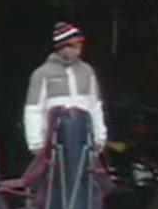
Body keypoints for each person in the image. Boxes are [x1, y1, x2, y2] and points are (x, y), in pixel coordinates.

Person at [23, 21, 108, 160]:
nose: (78, 51)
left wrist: (100, 137)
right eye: (73, 47)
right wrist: (35, 143)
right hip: (54, 143)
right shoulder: (42, 74)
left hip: (84, 141)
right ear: (61, 47)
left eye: (80, 46)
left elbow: (95, 105)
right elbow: (33, 109)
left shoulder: (88, 72)